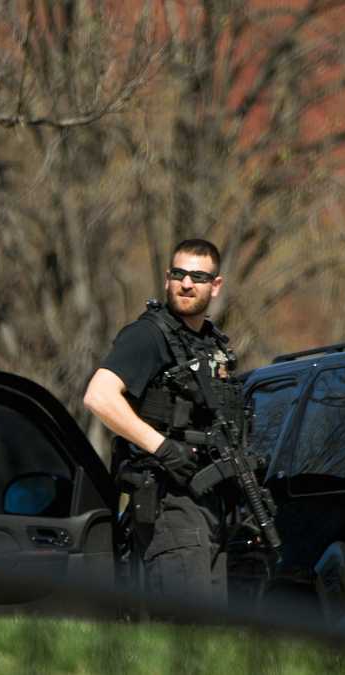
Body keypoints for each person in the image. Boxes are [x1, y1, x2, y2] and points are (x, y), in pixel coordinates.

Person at [83, 238, 236, 607]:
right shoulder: (149, 335)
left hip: (210, 509)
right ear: (167, 278)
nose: (187, 284)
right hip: (170, 505)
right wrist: (163, 448)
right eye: (179, 274)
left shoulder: (211, 345)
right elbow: (99, 396)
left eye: (198, 276)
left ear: (215, 285)